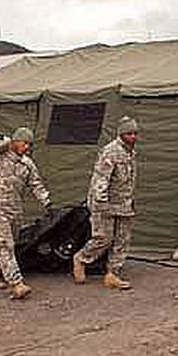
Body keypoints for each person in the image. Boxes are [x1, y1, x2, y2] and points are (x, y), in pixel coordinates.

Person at [0, 127, 52, 300]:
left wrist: (47, 202)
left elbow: (36, 185)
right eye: (24, 143)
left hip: (14, 210)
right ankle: (16, 283)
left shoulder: (27, 164)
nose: (27, 147)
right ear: (14, 141)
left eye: (30, 144)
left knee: (4, 244)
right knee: (4, 244)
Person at [72, 116, 139, 290]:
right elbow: (101, 179)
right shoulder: (111, 152)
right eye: (129, 133)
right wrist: (101, 204)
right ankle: (81, 259)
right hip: (105, 204)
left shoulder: (130, 152)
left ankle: (112, 274)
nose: (133, 137)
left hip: (124, 203)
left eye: (135, 133)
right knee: (103, 239)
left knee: (122, 240)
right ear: (121, 134)